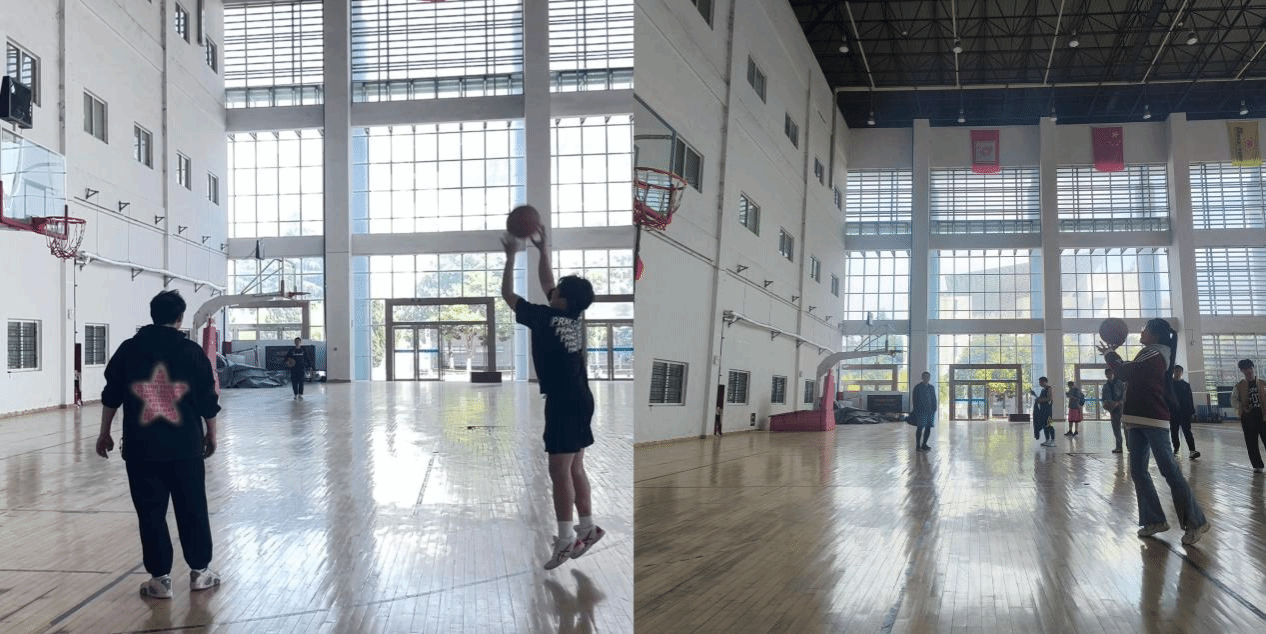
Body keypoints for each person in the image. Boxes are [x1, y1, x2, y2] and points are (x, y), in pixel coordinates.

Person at [96, 290, 223, 598]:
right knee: (192, 509)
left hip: (141, 449)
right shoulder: (192, 352)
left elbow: (111, 395)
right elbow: (207, 399)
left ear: (152, 315)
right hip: (185, 449)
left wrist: (104, 432)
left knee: (150, 513)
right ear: (179, 318)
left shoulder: (129, 350)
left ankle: (160, 579)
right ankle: (200, 573)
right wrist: (212, 433)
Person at [500, 227, 604, 570]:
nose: (552, 289)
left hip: (563, 403)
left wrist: (511, 257)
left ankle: (565, 540)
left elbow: (507, 294)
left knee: (558, 472)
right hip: (582, 399)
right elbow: (548, 282)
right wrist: (543, 250)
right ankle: (587, 528)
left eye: (556, 290)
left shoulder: (544, 318)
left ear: (562, 299)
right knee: (575, 466)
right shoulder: (573, 316)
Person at [1101, 318, 1210, 545]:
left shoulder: (1155, 353)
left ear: (1155, 334)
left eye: (1145, 330)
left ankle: (1196, 522)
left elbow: (1126, 372)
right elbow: (1128, 370)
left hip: (1152, 418)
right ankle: (1154, 520)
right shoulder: (1149, 353)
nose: (1141, 332)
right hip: (1136, 419)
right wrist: (1113, 355)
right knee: (1138, 471)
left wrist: (1111, 355)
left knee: (1169, 470)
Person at [1231, 359, 1266, 473]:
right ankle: (1257, 465)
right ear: (1242, 371)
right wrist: (1242, 406)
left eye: (1250, 368)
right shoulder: (1239, 386)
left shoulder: (1263, 383)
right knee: (1251, 443)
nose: (1248, 371)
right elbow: (1234, 401)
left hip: (1264, 417)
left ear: (1253, 368)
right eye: (1245, 369)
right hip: (1248, 418)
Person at [1170, 365, 1199, 460]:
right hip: (1173, 413)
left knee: (1187, 432)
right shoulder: (1169, 384)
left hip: (1185, 413)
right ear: (1173, 372)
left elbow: (1190, 399)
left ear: (1182, 373)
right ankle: (1176, 449)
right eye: (1176, 371)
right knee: (1174, 432)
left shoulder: (1186, 385)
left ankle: (1192, 451)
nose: (1177, 373)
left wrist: (1192, 412)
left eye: (1179, 371)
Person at [909, 371, 937, 451]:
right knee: (920, 428)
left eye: (928, 377)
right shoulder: (917, 387)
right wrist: (916, 410)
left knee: (928, 428)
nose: (926, 378)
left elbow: (934, 399)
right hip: (921, 412)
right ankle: (918, 446)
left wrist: (934, 409)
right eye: (925, 377)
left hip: (930, 412)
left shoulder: (931, 387)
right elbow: (914, 400)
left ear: (929, 378)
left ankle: (924, 444)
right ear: (922, 378)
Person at [1102, 368, 1126, 454]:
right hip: (1113, 410)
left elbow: (1124, 395)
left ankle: (1130, 447)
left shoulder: (1120, 383)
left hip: (1122, 409)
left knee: (1126, 428)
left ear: (1113, 374)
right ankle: (1119, 447)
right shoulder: (1105, 386)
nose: (1109, 375)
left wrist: (1119, 403)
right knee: (1116, 428)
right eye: (1107, 374)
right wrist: (1106, 404)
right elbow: (1104, 398)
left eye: (1110, 374)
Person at [1033, 377, 1055, 447]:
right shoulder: (1043, 389)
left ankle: (1053, 440)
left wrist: (1040, 400)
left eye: (1041, 382)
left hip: (1048, 409)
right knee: (1044, 425)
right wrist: (1036, 397)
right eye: (1039, 382)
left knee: (1049, 424)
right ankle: (1047, 439)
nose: (1040, 384)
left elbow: (1049, 398)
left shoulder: (1049, 388)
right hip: (1042, 409)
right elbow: (1041, 398)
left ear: (1045, 381)